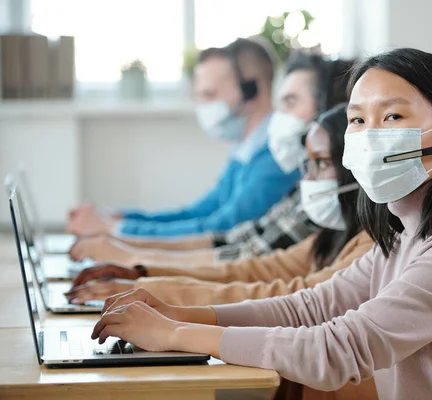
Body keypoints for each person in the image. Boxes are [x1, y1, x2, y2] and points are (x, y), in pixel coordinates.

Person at [90, 49, 432, 399]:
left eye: (393, 116)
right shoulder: (403, 237)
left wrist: (176, 334)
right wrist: (178, 314)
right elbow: (308, 309)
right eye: (358, 119)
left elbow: (336, 350)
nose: (370, 134)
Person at [66, 104, 377, 400]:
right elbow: (256, 270)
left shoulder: (374, 242)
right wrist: (145, 275)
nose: (306, 180)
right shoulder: (334, 231)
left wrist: (170, 317)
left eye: (320, 164)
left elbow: (294, 298)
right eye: (307, 165)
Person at [67, 54, 356, 267]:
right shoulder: (262, 159)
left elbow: (226, 233)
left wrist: (127, 244)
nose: (202, 106)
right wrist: (123, 228)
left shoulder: (276, 164)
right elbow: (221, 229)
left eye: (290, 102)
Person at [67, 37, 300, 238]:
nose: (203, 106)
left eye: (210, 94)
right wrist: (121, 217)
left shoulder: (276, 155)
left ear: (251, 88)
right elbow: (200, 212)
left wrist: (117, 230)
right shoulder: (246, 149)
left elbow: (222, 228)